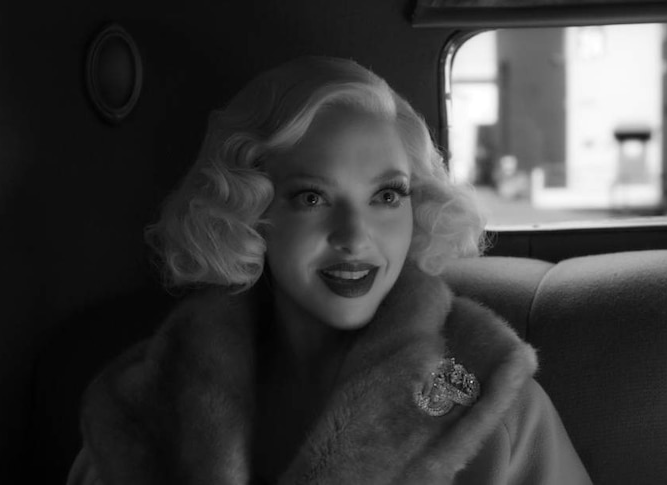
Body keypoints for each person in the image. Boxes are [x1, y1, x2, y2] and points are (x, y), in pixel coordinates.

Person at [66, 56, 591, 484]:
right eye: (312, 196)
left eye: (387, 195)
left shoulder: (490, 404)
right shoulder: (147, 406)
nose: (355, 235)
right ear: (250, 213)